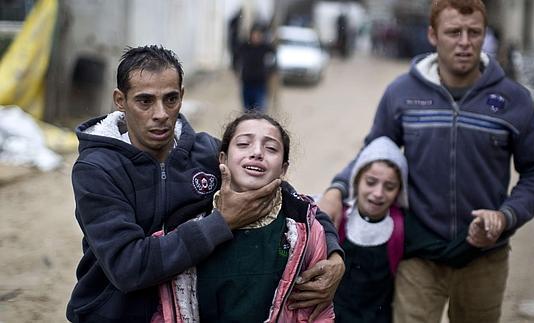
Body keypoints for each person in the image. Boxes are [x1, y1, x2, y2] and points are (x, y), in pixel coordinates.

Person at [66, 45, 344, 323]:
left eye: (171, 99)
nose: (161, 113)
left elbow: (291, 202)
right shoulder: (97, 169)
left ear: (182, 96)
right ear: (120, 100)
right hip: (115, 314)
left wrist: (334, 254)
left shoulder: (205, 152)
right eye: (145, 101)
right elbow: (128, 267)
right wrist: (221, 222)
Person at [318, 1, 534, 322]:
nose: (464, 42)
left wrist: (506, 217)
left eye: (474, 32)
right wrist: (338, 188)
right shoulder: (401, 93)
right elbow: (374, 150)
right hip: (418, 253)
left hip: (485, 256)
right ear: (432, 35)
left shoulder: (514, 99)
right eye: (453, 32)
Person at [153, 112, 335, 322]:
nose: (257, 152)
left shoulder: (304, 229)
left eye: (271, 148)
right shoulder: (188, 224)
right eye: (243, 144)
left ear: (283, 169)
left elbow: (318, 313)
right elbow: (164, 309)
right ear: (223, 158)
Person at [332, 136, 407, 323]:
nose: (378, 193)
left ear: (400, 190)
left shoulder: (401, 228)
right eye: (371, 182)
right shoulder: (338, 217)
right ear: (356, 180)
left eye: (389, 186)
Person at [237, 24, 276, 112]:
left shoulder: (265, 48)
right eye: (254, 35)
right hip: (247, 81)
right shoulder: (244, 47)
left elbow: (273, 60)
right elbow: (236, 57)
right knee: (247, 109)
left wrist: (270, 72)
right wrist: (236, 70)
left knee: (259, 109)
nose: (256, 37)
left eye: (258, 35)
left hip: (260, 82)